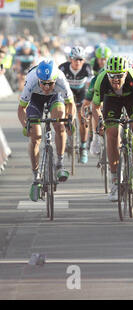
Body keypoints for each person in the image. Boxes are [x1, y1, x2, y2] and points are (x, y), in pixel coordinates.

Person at [92, 55, 133, 201]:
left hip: (132, 99)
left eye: (120, 76)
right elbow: (95, 107)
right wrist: (99, 122)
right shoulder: (101, 80)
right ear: (107, 73)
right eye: (112, 76)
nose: (116, 79)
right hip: (112, 101)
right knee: (112, 133)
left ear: (126, 73)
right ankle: (115, 181)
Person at [17, 59, 75, 201]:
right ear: (38, 79)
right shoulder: (31, 80)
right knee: (35, 136)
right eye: (43, 83)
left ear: (55, 79)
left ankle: (60, 162)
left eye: (50, 83)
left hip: (55, 98)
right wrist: (26, 125)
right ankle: (36, 175)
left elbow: (70, 104)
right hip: (35, 99)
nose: (47, 86)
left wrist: (69, 120)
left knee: (60, 124)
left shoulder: (61, 79)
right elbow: (21, 109)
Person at [59, 46, 94, 164]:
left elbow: (91, 84)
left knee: (83, 119)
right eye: (75, 59)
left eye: (81, 59)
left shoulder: (87, 68)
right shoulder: (63, 68)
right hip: (67, 92)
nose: (78, 62)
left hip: (81, 92)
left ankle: (83, 147)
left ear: (84, 60)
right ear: (70, 59)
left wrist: (90, 100)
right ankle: (68, 137)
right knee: (64, 116)